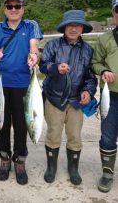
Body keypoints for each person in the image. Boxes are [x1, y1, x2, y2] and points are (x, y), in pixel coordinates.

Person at [0, 0, 42, 185]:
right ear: (5, 8)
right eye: (9, 6)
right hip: (0, 84)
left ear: (23, 8)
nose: (13, 10)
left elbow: (34, 46)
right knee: (1, 123)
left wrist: (34, 55)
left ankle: (20, 160)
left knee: (21, 125)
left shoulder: (31, 25)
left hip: (22, 85)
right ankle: (4, 158)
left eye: (17, 6)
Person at [39, 10, 97, 185]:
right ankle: (51, 168)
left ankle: (73, 169)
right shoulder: (52, 45)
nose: (73, 28)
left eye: (77, 25)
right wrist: (56, 68)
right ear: (64, 27)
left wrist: (88, 90)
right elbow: (43, 66)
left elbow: (91, 77)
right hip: (54, 98)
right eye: (70, 25)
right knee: (53, 134)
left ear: (82, 28)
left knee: (74, 136)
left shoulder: (88, 50)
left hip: (76, 101)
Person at [91, 0, 118, 193]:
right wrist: (103, 71)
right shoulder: (105, 39)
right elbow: (95, 62)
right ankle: (107, 174)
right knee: (108, 137)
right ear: (113, 13)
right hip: (111, 97)